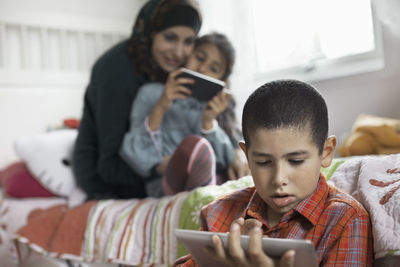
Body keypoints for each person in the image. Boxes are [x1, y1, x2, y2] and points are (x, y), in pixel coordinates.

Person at [174, 79, 373, 266]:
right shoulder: (217, 213)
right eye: (263, 162)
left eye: (295, 161)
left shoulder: (345, 220)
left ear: (326, 152)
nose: (279, 179)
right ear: (247, 156)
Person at [72, 0, 202, 199]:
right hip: (104, 178)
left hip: (156, 167)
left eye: (188, 41)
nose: (178, 52)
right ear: (150, 34)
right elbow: (109, 166)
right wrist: (160, 167)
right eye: (169, 37)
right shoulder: (114, 69)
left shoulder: (178, 69)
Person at [120, 32, 237, 197]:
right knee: (194, 147)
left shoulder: (215, 107)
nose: (202, 69)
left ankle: (208, 197)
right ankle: (204, 195)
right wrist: (161, 106)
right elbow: (135, 154)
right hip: (167, 185)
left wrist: (208, 123)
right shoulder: (151, 93)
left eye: (213, 69)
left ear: (222, 80)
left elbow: (226, 161)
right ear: (188, 55)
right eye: (200, 58)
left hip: (211, 180)